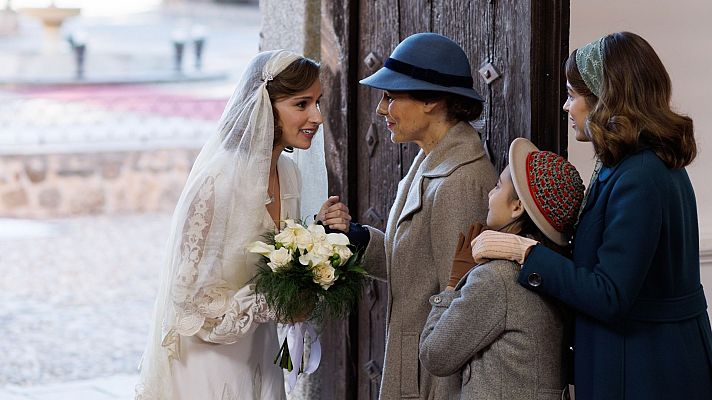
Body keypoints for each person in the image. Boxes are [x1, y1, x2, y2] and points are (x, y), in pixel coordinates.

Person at [472, 32, 712, 399]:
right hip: (644, 358)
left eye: (572, 94)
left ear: (607, 98)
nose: (567, 107)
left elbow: (610, 295)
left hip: (647, 369)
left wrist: (524, 252)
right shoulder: (629, 164)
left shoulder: (641, 175)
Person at [135, 50, 348, 400]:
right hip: (210, 363)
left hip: (258, 351)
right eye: (302, 104)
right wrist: (271, 301)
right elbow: (187, 304)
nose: (318, 117)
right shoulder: (217, 184)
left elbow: (277, 255)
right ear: (265, 105)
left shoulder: (288, 174)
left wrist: (320, 236)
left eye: (318, 102)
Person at [326, 32, 498, 399]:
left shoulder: (461, 180)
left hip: (431, 382)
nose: (380, 109)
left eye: (391, 96)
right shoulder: (428, 159)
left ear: (432, 100)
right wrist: (355, 237)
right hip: (412, 369)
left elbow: (460, 305)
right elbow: (414, 269)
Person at [419, 137, 584, 400]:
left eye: (497, 186)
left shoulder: (496, 279)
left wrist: (452, 285)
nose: (489, 194)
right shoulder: (556, 270)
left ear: (517, 207)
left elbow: (435, 355)